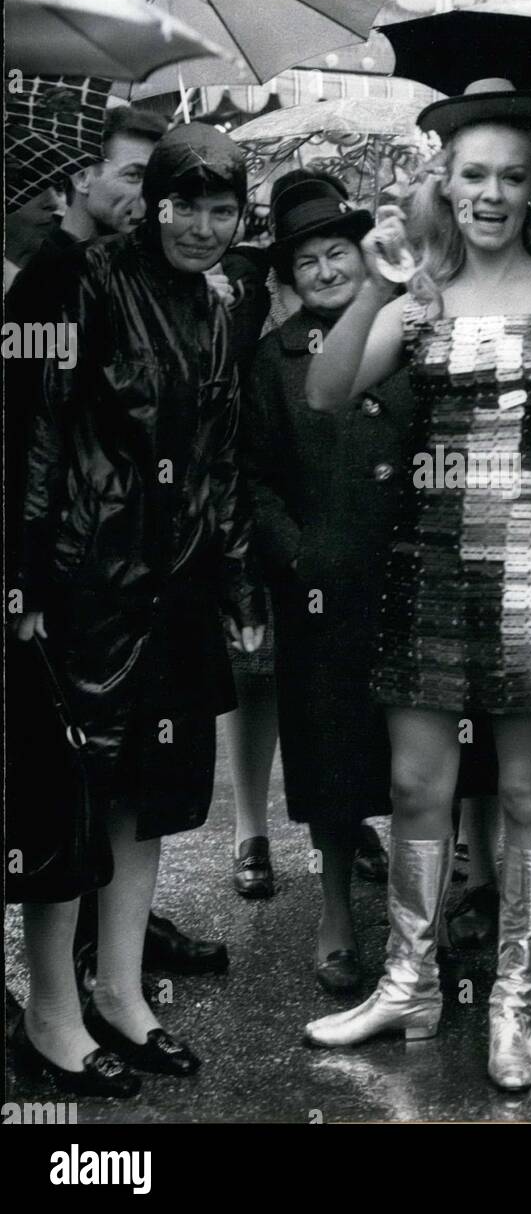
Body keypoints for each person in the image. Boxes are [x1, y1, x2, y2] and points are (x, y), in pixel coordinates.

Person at [303, 78, 531, 1090]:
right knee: (416, 786)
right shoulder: (415, 296)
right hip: (428, 570)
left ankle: (513, 998)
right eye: (475, 175)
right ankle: (409, 983)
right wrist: (378, 284)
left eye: (513, 174)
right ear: (447, 184)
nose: (494, 192)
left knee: (523, 795)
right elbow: (327, 394)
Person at [8, 123, 264, 1096]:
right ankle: (51, 1013)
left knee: (145, 800)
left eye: (221, 207)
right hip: (85, 589)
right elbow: (34, 434)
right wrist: (25, 577)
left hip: (179, 590)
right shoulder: (80, 280)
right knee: (70, 802)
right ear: (151, 202)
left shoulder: (218, 303)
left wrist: (238, 583)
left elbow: (223, 455)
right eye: (184, 203)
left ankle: (121, 993)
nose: (202, 225)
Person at [242, 176, 399, 991]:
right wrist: (299, 557)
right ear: (288, 277)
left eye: (339, 251)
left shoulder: (408, 327)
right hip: (321, 594)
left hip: (408, 580)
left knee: (419, 762)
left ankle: (422, 923)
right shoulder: (272, 359)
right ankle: (336, 915)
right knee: (331, 762)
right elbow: (255, 477)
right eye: (308, 260)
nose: (327, 270)